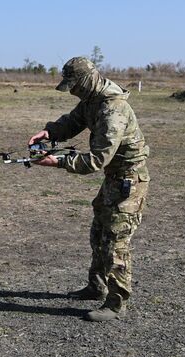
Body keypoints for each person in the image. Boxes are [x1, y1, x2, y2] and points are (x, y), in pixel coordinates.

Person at [28, 57, 150, 322]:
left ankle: (116, 305)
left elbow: (96, 160)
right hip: (114, 178)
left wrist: (57, 161)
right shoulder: (92, 101)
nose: (72, 91)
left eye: (74, 85)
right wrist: (49, 133)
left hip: (128, 180)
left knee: (116, 240)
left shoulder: (113, 110)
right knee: (99, 233)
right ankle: (97, 287)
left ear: (87, 80)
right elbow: (73, 121)